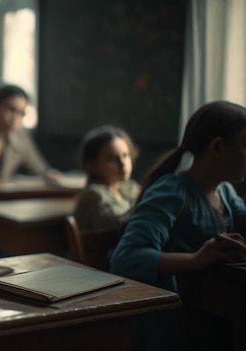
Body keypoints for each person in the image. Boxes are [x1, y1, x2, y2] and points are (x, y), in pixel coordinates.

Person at [110, 101, 246, 350]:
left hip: (210, 316)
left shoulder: (226, 193)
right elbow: (126, 257)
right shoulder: (172, 192)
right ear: (217, 147)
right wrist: (195, 259)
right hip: (173, 326)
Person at [0, 85, 60, 181]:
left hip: (3, 194)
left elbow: (39, 169)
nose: (16, 117)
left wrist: (50, 174)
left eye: (21, 112)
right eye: (11, 109)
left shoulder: (20, 137)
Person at [73, 125, 141, 232]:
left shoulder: (129, 188)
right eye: (112, 159)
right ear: (91, 165)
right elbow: (118, 227)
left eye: (125, 155)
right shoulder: (93, 195)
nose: (123, 164)